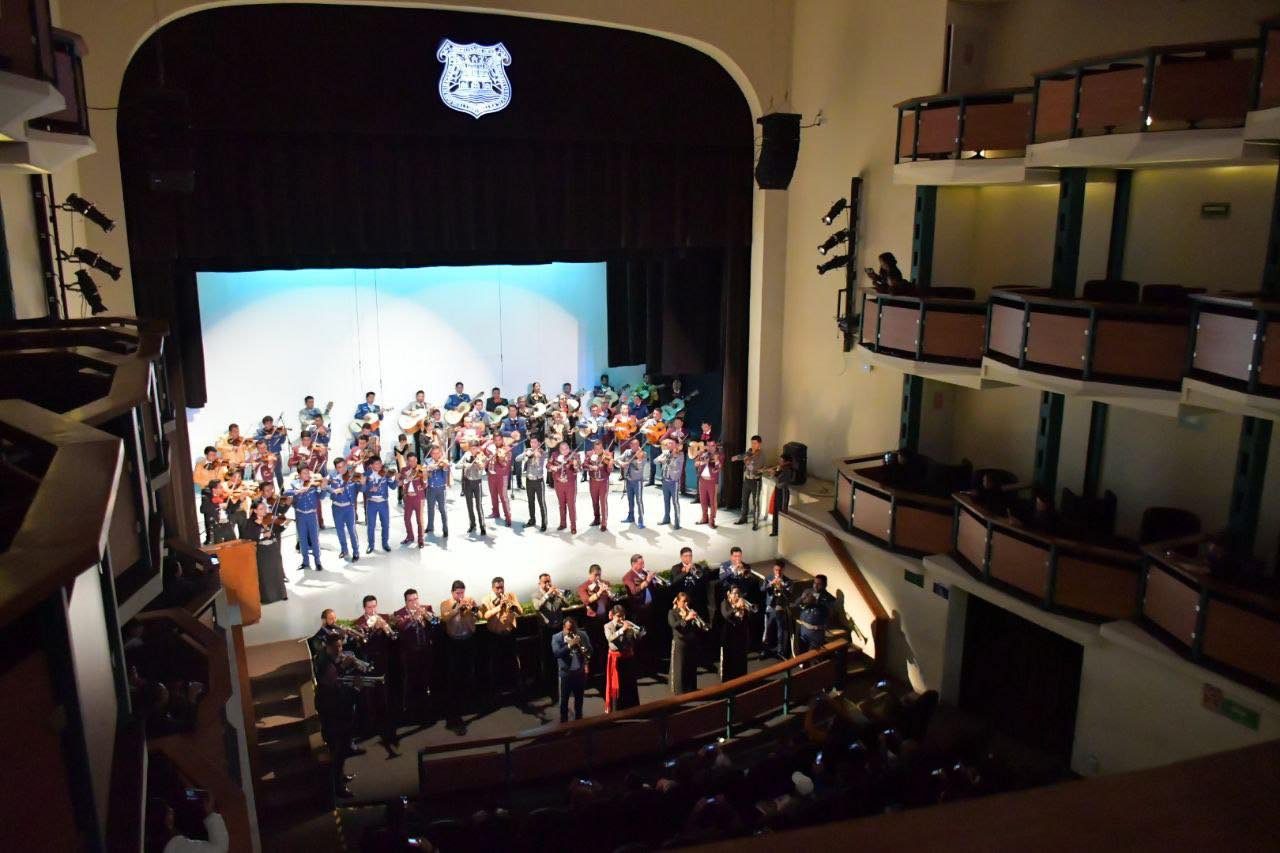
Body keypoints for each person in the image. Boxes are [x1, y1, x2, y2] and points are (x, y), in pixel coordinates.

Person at [314, 635, 365, 799]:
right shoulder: (323, 661)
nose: (339, 650)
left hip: (340, 710)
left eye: (341, 647)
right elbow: (332, 682)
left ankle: (341, 777)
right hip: (334, 712)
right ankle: (338, 787)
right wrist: (355, 688)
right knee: (337, 751)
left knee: (342, 749)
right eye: (336, 647)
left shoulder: (328, 658)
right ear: (327, 646)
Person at [440, 580, 479, 734]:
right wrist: (458, 608)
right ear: (452, 592)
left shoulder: (468, 600)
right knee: (454, 679)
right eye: (457, 593)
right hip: (453, 643)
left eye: (462, 593)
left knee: (467, 676)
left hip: (468, 640)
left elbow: (478, 615)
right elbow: (445, 618)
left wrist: (473, 608)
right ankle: (453, 716)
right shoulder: (446, 603)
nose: (460, 596)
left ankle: (464, 708)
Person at [480, 577, 522, 702]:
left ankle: (515, 690)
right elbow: (485, 615)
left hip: (509, 634)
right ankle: (497, 693)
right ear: (492, 588)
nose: (500, 590)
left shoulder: (511, 595)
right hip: (495, 636)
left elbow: (520, 611)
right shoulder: (486, 599)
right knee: (496, 664)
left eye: (502, 587)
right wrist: (499, 607)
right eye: (497, 588)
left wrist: (511, 603)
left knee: (513, 663)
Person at [393, 589, 434, 717]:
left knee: (426, 677)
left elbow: (436, 623)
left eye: (416, 599)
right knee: (411, 681)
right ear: (406, 602)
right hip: (409, 653)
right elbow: (401, 629)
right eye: (410, 600)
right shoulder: (399, 613)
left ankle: (427, 706)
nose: (414, 602)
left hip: (425, 650)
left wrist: (427, 616)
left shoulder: (426, 608)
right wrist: (412, 619)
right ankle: (411, 709)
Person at [147, 792, 230, 852]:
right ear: (166, 819)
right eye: (169, 811)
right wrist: (211, 813)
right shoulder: (177, 847)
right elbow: (219, 849)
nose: (173, 812)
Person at [603, 605, 645, 712]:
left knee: (630, 683)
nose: (621, 619)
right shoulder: (607, 626)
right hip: (616, 659)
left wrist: (636, 632)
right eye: (618, 616)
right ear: (612, 615)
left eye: (623, 616)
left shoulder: (627, 623)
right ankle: (618, 710)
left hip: (628, 658)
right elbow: (610, 638)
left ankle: (632, 708)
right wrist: (622, 629)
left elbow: (638, 636)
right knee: (617, 685)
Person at [551, 617, 593, 723]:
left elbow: (590, 650)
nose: (571, 632)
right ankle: (564, 723)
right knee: (564, 701)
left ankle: (579, 722)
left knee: (579, 700)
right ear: (564, 628)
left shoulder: (582, 634)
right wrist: (569, 645)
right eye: (569, 630)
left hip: (579, 673)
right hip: (566, 674)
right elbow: (557, 653)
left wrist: (583, 649)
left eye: (573, 629)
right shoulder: (557, 638)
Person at [246, 501, 287, 604]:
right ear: (255, 510)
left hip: (273, 549)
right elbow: (248, 536)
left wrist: (285, 525)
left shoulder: (268, 519)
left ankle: (281, 594)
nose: (264, 510)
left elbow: (276, 529)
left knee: (276, 571)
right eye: (260, 509)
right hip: (262, 552)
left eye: (264, 508)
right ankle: (268, 597)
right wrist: (262, 535)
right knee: (266, 574)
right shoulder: (251, 522)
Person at [533, 572, 568, 694]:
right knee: (548, 658)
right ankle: (549, 687)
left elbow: (567, 604)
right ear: (540, 583)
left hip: (558, 628)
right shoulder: (536, 595)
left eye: (549, 581)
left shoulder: (555, 594)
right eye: (545, 582)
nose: (548, 584)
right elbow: (537, 606)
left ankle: (562, 683)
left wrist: (560, 595)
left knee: (562, 655)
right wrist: (548, 594)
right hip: (546, 630)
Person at [286, 466, 326, 571]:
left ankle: (318, 561)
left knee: (314, 539)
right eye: (304, 473)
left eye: (308, 473)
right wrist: (298, 491)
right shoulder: (294, 484)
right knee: (302, 539)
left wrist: (323, 488)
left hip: (312, 515)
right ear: (299, 475)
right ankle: (305, 561)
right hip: (300, 516)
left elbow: (321, 496)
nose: (307, 475)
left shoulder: (314, 485)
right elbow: (286, 492)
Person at [669, 591, 708, 695]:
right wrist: (687, 618)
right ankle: (679, 691)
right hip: (679, 643)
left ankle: (690, 688)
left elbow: (695, 627)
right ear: (677, 601)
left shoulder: (690, 611)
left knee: (690, 666)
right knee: (679, 668)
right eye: (683, 601)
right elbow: (675, 625)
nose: (686, 604)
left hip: (691, 642)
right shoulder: (673, 612)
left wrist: (698, 621)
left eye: (687, 601)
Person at [327, 457, 360, 562]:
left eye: (343, 466)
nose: (342, 469)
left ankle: (356, 552)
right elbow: (324, 488)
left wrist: (362, 482)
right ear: (336, 468)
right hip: (336, 507)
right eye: (339, 467)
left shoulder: (353, 476)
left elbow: (362, 489)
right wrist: (333, 490)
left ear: (346, 465)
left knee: (352, 531)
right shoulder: (332, 476)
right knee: (340, 530)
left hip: (348, 507)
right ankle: (344, 550)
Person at [454, 443, 489, 536]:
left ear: (477, 448)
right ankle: (472, 524)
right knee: (469, 505)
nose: (473, 450)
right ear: (469, 448)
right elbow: (456, 466)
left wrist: (479, 464)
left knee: (478, 505)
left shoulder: (481, 456)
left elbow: (483, 469)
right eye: (472, 448)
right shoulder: (466, 455)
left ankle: (482, 526)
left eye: (475, 448)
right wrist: (465, 465)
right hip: (467, 482)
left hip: (477, 482)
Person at [796, 574, 836, 654]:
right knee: (801, 654)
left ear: (825, 585)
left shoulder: (830, 598)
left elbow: (828, 614)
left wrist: (815, 603)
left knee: (813, 655)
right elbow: (796, 604)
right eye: (814, 583)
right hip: (803, 628)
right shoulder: (807, 591)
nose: (815, 586)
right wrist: (801, 599)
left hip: (816, 632)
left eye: (819, 584)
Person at [761, 560, 794, 659]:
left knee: (781, 632)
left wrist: (782, 587)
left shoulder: (789, 581)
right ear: (773, 569)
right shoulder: (768, 578)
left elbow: (790, 596)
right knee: (767, 630)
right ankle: (765, 650)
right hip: (770, 607)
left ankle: (781, 652)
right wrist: (771, 584)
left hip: (780, 608)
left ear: (783, 570)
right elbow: (762, 589)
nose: (778, 573)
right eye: (776, 570)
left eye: (780, 570)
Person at [732, 434, 765, 529]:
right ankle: (743, 518)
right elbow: (744, 456)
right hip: (747, 480)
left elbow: (755, 469)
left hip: (756, 481)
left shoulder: (762, 455)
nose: (753, 445)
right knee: (744, 500)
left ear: (759, 444)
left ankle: (755, 522)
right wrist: (736, 458)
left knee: (756, 502)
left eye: (755, 443)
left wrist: (747, 463)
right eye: (752, 443)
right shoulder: (750, 451)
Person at [720, 586, 752, 681]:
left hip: (741, 637)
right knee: (729, 662)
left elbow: (747, 620)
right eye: (734, 593)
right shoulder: (724, 603)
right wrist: (736, 607)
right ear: (729, 594)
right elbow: (726, 615)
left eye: (738, 593)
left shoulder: (742, 604)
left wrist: (746, 610)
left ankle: (741, 681)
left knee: (740, 661)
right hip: (728, 637)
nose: (737, 595)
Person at [548, 441, 580, 534]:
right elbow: (548, 465)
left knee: (571, 505)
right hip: (558, 483)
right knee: (561, 504)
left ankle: (573, 526)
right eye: (562, 449)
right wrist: (552, 467)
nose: (565, 451)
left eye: (566, 448)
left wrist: (575, 464)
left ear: (569, 448)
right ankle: (563, 523)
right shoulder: (554, 455)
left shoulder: (575, 455)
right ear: (559, 449)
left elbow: (579, 469)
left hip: (570, 484)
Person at [362, 458, 393, 553]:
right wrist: (369, 488)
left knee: (385, 524)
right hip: (371, 503)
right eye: (376, 464)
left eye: (380, 463)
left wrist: (396, 478)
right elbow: (362, 489)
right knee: (371, 525)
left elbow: (393, 486)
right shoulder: (366, 474)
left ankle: (385, 543)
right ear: (371, 465)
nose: (379, 466)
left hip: (383, 503)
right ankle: (371, 545)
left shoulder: (385, 474)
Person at [517, 438, 548, 531]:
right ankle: (532, 520)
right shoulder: (527, 450)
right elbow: (517, 459)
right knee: (531, 502)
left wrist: (536, 453)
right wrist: (525, 454)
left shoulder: (542, 452)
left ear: (539, 443)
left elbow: (545, 455)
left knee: (541, 502)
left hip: (539, 481)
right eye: (531, 442)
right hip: (529, 480)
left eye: (535, 442)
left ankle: (544, 523)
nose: (533, 444)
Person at [254, 414, 289, 490]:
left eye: (270, 423)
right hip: (265, 457)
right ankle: (269, 492)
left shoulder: (276, 431)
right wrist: (264, 437)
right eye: (267, 423)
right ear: (264, 424)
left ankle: (282, 491)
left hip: (276, 456)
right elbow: (255, 438)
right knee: (268, 475)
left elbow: (282, 441)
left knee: (279, 474)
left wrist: (283, 435)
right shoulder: (260, 432)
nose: (269, 425)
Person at [398, 454, 426, 547]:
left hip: (419, 498)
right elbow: (399, 483)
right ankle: (410, 536)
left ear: (417, 460)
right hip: (408, 498)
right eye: (410, 460)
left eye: (414, 460)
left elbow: (425, 485)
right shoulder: (404, 470)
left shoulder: (421, 469)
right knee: (406, 519)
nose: (412, 462)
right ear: (407, 461)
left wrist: (425, 478)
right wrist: (407, 479)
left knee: (419, 520)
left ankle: (421, 540)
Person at [584, 440, 612, 531]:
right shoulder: (589, 454)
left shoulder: (607, 455)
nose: (598, 450)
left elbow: (609, 471)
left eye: (600, 448)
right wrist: (591, 467)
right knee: (595, 501)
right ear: (593, 448)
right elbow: (584, 465)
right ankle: (596, 519)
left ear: (602, 447)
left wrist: (610, 465)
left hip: (603, 482)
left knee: (603, 502)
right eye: (596, 449)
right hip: (593, 481)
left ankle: (604, 523)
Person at [695, 439, 724, 527]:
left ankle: (712, 521)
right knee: (703, 500)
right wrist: (701, 461)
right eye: (708, 446)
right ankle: (704, 518)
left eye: (712, 445)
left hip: (712, 481)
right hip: (702, 480)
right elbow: (696, 464)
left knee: (712, 502)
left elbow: (718, 468)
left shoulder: (720, 455)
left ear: (715, 446)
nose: (710, 448)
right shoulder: (703, 454)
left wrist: (716, 460)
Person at [487, 434, 514, 527]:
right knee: (493, 495)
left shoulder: (507, 449)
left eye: (499, 440)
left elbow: (506, 465)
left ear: (502, 440)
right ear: (493, 440)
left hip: (502, 476)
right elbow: (486, 458)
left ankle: (508, 517)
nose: (498, 442)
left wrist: (501, 458)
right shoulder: (490, 447)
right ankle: (495, 512)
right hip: (491, 475)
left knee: (503, 497)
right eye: (496, 440)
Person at [423, 446, 450, 538]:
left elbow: (445, 476)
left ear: (440, 454)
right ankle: (430, 526)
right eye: (434, 453)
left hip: (441, 489)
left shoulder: (443, 462)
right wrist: (428, 469)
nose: (436, 455)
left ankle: (445, 529)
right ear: (431, 454)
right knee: (430, 509)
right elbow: (424, 473)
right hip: (431, 489)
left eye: (438, 453)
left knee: (442, 509)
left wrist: (445, 468)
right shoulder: (427, 461)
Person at [657, 438, 684, 529]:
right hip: (665, 480)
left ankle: (677, 522)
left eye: (671, 443)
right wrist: (661, 458)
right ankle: (666, 518)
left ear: (676, 445)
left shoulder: (680, 454)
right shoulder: (665, 453)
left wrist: (671, 457)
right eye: (668, 443)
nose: (669, 445)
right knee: (666, 501)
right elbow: (655, 461)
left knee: (675, 502)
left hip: (673, 481)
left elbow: (675, 465)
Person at [619, 438, 646, 528]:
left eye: (637, 445)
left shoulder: (643, 454)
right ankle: (630, 517)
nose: (636, 447)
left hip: (637, 481)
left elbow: (640, 467)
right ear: (630, 446)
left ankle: (641, 521)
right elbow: (618, 460)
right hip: (628, 480)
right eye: (633, 445)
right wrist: (622, 463)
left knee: (639, 501)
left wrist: (639, 459)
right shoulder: (627, 452)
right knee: (630, 500)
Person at [770, 452, 796, 537]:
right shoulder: (782, 469)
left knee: (782, 512)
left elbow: (779, 483)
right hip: (778, 491)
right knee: (775, 510)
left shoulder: (787, 470)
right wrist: (775, 473)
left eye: (781, 461)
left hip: (783, 492)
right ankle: (775, 531)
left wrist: (774, 474)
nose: (780, 462)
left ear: (787, 462)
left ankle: (781, 531)